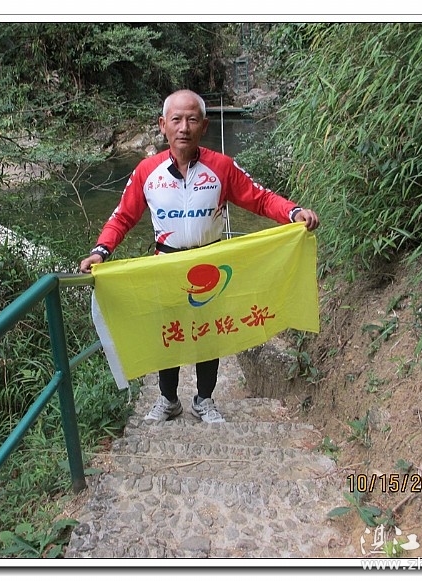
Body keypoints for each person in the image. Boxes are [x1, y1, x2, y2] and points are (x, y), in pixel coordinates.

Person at [79, 89, 320, 424]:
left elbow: (260, 198)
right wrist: (100, 251)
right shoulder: (147, 171)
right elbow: (122, 217)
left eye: (192, 119)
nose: (184, 127)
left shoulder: (221, 167)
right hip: (166, 266)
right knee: (168, 334)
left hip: (211, 264)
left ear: (204, 126)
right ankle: (168, 399)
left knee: (210, 334)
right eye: (176, 119)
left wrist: (293, 212)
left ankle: (204, 399)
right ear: (163, 125)